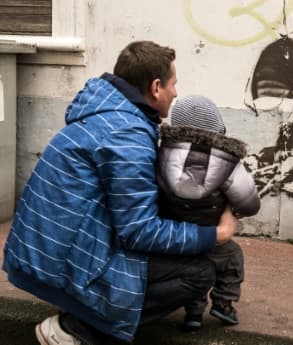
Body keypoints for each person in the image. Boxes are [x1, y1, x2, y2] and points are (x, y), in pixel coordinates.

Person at [2, 41, 238, 345]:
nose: (176, 93)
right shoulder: (127, 135)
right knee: (199, 273)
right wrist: (215, 235)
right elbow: (139, 231)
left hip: (47, 251)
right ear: (156, 88)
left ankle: (84, 310)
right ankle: (75, 330)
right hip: (57, 261)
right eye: (173, 84)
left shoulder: (108, 113)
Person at [157, 95, 261, 329]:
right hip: (213, 234)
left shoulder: (161, 156)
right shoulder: (228, 163)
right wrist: (234, 210)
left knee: (192, 268)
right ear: (218, 128)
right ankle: (223, 304)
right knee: (232, 259)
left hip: (175, 235)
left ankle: (193, 313)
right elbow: (249, 203)